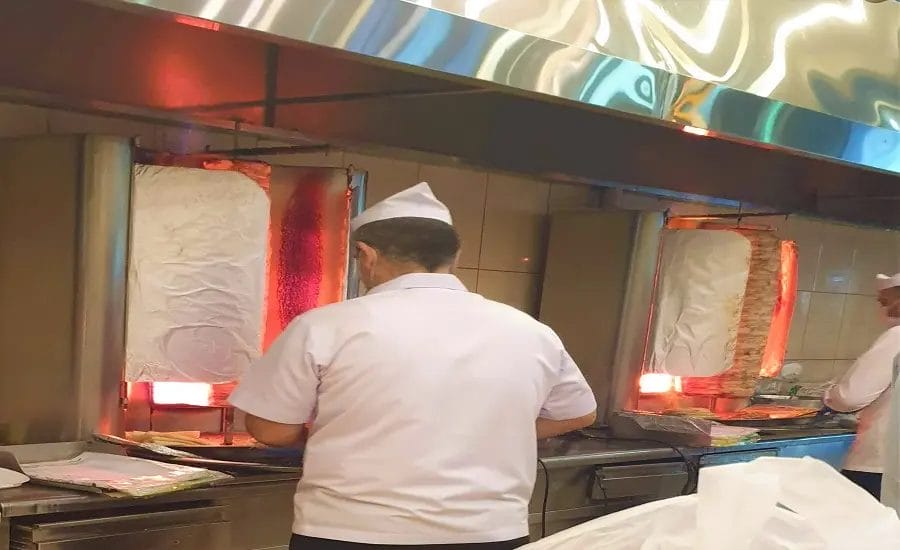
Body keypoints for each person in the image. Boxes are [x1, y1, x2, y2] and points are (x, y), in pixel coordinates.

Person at [229, 182, 598, 550]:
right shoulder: (530, 332)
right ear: (455, 256)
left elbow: (271, 429)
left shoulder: (324, 326)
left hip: (350, 532)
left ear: (366, 254)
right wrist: (482, 433)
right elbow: (578, 414)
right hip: (488, 534)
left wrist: (340, 433)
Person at [824, 272, 900, 499]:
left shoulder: (896, 337)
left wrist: (828, 395)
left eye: (885, 301)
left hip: (878, 464)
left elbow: (851, 396)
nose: (882, 308)